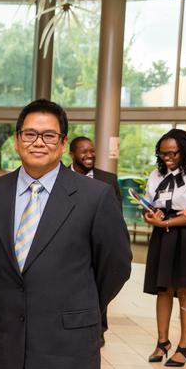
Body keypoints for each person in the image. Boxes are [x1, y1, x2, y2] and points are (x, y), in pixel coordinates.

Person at [0, 99, 132, 369]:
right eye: (29, 134)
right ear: (17, 140)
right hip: (7, 347)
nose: (38, 142)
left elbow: (115, 266)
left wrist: (79, 304)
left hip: (67, 345)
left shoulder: (95, 196)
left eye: (48, 135)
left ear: (63, 143)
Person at [142, 129, 186, 367]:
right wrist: (152, 215)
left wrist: (166, 222)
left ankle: (185, 346)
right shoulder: (156, 175)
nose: (168, 158)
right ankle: (162, 342)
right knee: (163, 289)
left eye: (172, 153)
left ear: (184, 151)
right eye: (163, 154)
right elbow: (149, 204)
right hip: (163, 235)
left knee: (185, 290)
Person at [68, 135, 122, 346]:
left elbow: (115, 217)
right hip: (71, 244)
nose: (89, 154)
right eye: (84, 151)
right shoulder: (58, 176)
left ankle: (98, 329)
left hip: (98, 245)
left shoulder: (107, 179)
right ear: (71, 153)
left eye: (92, 150)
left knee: (98, 285)